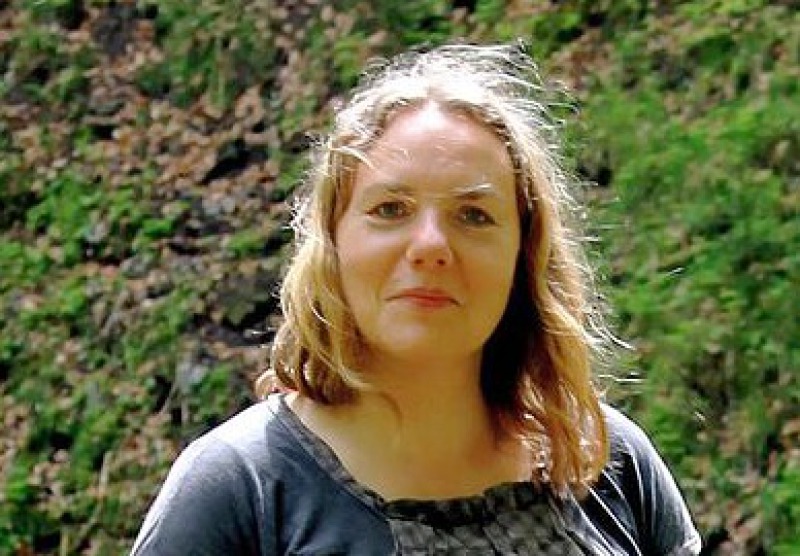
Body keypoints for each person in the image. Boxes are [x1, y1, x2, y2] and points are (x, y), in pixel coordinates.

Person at [131, 43, 702, 555]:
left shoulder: (608, 460)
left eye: (473, 215)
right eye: (391, 210)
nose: (430, 246)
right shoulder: (241, 489)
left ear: (523, 255)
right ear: (333, 241)